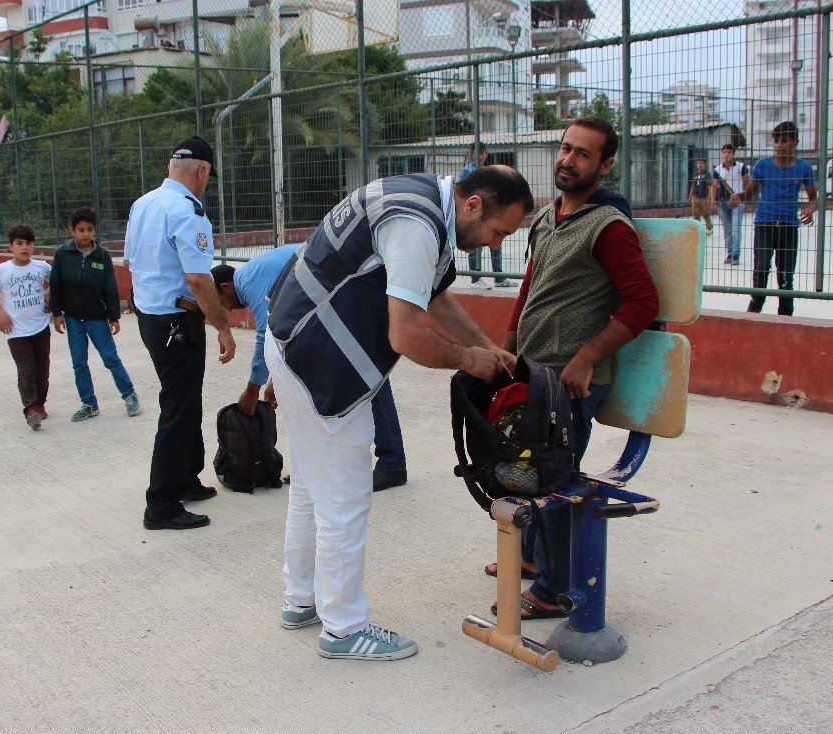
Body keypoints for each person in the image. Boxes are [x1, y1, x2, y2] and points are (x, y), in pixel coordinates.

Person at [266, 165, 533, 660]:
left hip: (294, 340)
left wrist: (488, 347)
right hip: (322, 362)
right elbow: (407, 335)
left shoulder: (429, 200)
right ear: (472, 204)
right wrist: (471, 360)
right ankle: (343, 629)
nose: (495, 246)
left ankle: (301, 599)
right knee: (345, 500)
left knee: (308, 484)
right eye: (499, 232)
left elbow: (434, 294)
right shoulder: (416, 224)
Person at [486, 117, 659, 620]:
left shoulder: (609, 228)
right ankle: (536, 560)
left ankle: (553, 590)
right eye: (565, 148)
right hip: (532, 374)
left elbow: (642, 302)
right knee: (525, 471)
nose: (568, 160)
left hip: (569, 383)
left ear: (605, 166)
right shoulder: (546, 218)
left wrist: (587, 358)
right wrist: (506, 348)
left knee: (553, 480)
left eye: (583, 154)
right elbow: (529, 289)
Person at [211, 246, 408, 492]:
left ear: (226, 287)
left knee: (367, 373)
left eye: (222, 303)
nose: (227, 310)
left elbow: (265, 335)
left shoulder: (250, 282)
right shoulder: (253, 275)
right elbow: (284, 333)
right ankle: (319, 466)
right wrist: (277, 378)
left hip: (346, 297)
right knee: (323, 384)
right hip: (334, 302)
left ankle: (392, 463)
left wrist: (253, 389)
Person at [125, 135, 237, 531]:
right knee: (178, 408)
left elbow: (132, 262)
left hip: (151, 318)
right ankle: (161, 504)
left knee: (184, 400)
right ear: (202, 170)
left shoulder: (143, 204)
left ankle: (186, 478)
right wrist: (223, 327)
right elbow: (197, 277)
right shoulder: (188, 211)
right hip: (177, 322)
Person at [49, 206, 140, 422]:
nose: (85, 234)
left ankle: (129, 395)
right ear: (72, 230)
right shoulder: (63, 254)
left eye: (89, 229)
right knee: (79, 362)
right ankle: (89, 403)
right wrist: (57, 313)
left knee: (110, 358)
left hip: (97, 319)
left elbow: (110, 287)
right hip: (73, 319)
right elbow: (56, 284)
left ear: (95, 230)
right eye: (81, 230)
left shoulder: (102, 255)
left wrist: (114, 317)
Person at [729, 121, 817, 316]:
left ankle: (785, 317)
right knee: (760, 269)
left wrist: (810, 210)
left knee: (785, 277)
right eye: (776, 141)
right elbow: (750, 192)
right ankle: (754, 310)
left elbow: (813, 199)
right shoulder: (763, 165)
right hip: (764, 225)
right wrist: (738, 196)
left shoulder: (804, 169)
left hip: (788, 227)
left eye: (784, 141)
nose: (779, 145)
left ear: (795, 142)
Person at [0, 224, 53, 431]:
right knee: (26, 371)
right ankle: (31, 409)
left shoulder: (42, 267)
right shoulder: (2, 270)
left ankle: (40, 403)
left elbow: (56, 283)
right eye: (20, 243)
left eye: (29, 243)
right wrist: (0, 314)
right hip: (15, 331)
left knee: (42, 371)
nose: (25, 248)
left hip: (40, 326)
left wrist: (49, 294)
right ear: (11, 246)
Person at [461, 145, 515, 289]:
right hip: (476, 216)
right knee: (475, 246)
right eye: (477, 153)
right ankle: (475, 279)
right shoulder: (467, 171)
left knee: (495, 244)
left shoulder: (490, 172)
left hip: (491, 215)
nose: (480, 156)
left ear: (486, 154)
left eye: (483, 153)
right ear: (472, 155)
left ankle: (498, 277)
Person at [711, 143, 750, 265]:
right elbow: (714, 186)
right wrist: (713, 200)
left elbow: (748, 183)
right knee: (727, 229)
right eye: (724, 152)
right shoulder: (718, 169)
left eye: (729, 152)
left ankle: (736, 255)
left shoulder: (741, 167)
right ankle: (729, 253)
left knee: (736, 228)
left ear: (733, 153)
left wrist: (742, 196)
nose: (727, 154)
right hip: (723, 202)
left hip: (737, 202)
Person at [688, 158, 713, 235]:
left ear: (704, 164)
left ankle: (709, 227)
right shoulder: (695, 175)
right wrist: (690, 196)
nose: (699, 165)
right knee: (695, 214)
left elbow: (710, 186)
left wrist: (710, 198)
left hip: (704, 197)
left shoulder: (707, 174)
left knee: (705, 214)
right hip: (695, 197)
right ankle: (697, 230)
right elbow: (693, 186)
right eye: (698, 163)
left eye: (701, 163)